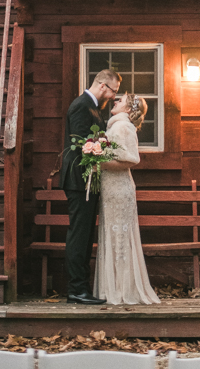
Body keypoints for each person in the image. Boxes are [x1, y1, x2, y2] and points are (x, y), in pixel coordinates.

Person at [93, 92, 160, 305]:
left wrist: (97, 161)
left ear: (129, 109)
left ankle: (121, 289)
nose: (115, 100)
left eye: (120, 100)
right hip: (110, 189)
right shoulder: (114, 126)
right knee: (111, 236)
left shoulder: (123, 127)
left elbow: (131, 159)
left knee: (119, 238)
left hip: (119, 191)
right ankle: (110, 287)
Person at [61, 68, 121, 304]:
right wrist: (99, 150)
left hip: (88, 179)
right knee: (79, 234)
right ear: (103, 86)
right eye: (113, 91)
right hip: (79, 179)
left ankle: (82, 288)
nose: (113, 96)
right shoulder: (81, 105)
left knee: (85, 236)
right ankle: (76, 289)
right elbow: (79, 145)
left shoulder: (94, 106)